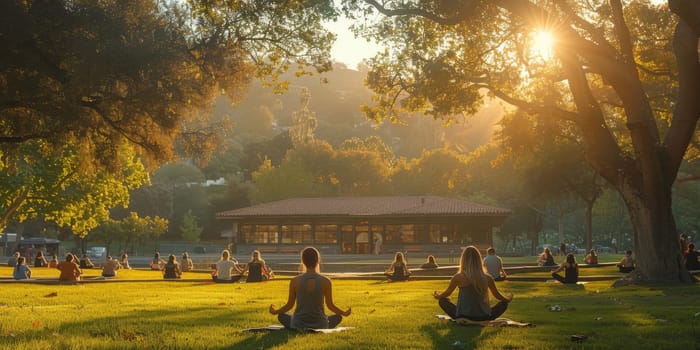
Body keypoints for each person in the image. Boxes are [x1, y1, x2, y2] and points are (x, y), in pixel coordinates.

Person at [269, 247, 351, 330]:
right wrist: (344, 313)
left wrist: (275, 312)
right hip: (320, 324)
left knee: (281, 316)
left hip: (298, 323)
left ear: (303, 261)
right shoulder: (326, 281)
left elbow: (290, 305)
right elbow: (330, 306)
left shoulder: (295, 281)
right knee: (338, 317)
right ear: (317, 261)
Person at [434, 245, 513, 321]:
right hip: (484, 316)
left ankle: (463, 315)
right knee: (504, 304)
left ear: (463, 260)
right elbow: (497, 295)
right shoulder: (487, 278)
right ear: (479, 260)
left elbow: (447, 293)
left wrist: (438, 296)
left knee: (442, 301)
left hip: (463, 315)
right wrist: (507, 299)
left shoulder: (458, 277)